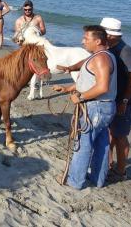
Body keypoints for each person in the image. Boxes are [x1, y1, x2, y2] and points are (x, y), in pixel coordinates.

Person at [53, 25, 117, 189]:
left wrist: (80, 97)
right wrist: (68, 88)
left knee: (83, 144)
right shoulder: (103, 56)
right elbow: (90, 82)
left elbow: (102, 87)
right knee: (101, 144)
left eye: (86, 39)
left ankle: (75, 181)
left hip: (96, 108)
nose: (82, 41)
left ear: (97, 41)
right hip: (104, 107)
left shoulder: (101, 59)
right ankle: (97, 180)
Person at [99, 18, 131, 182]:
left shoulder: (125, 51)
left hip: (124, 101)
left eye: (102, 33)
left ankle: (121, 171)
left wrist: (123, 101)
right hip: (113, 99)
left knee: (120, 136)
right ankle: (109, 165)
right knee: (110, 134)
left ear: (110, 35)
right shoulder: (110, 48)